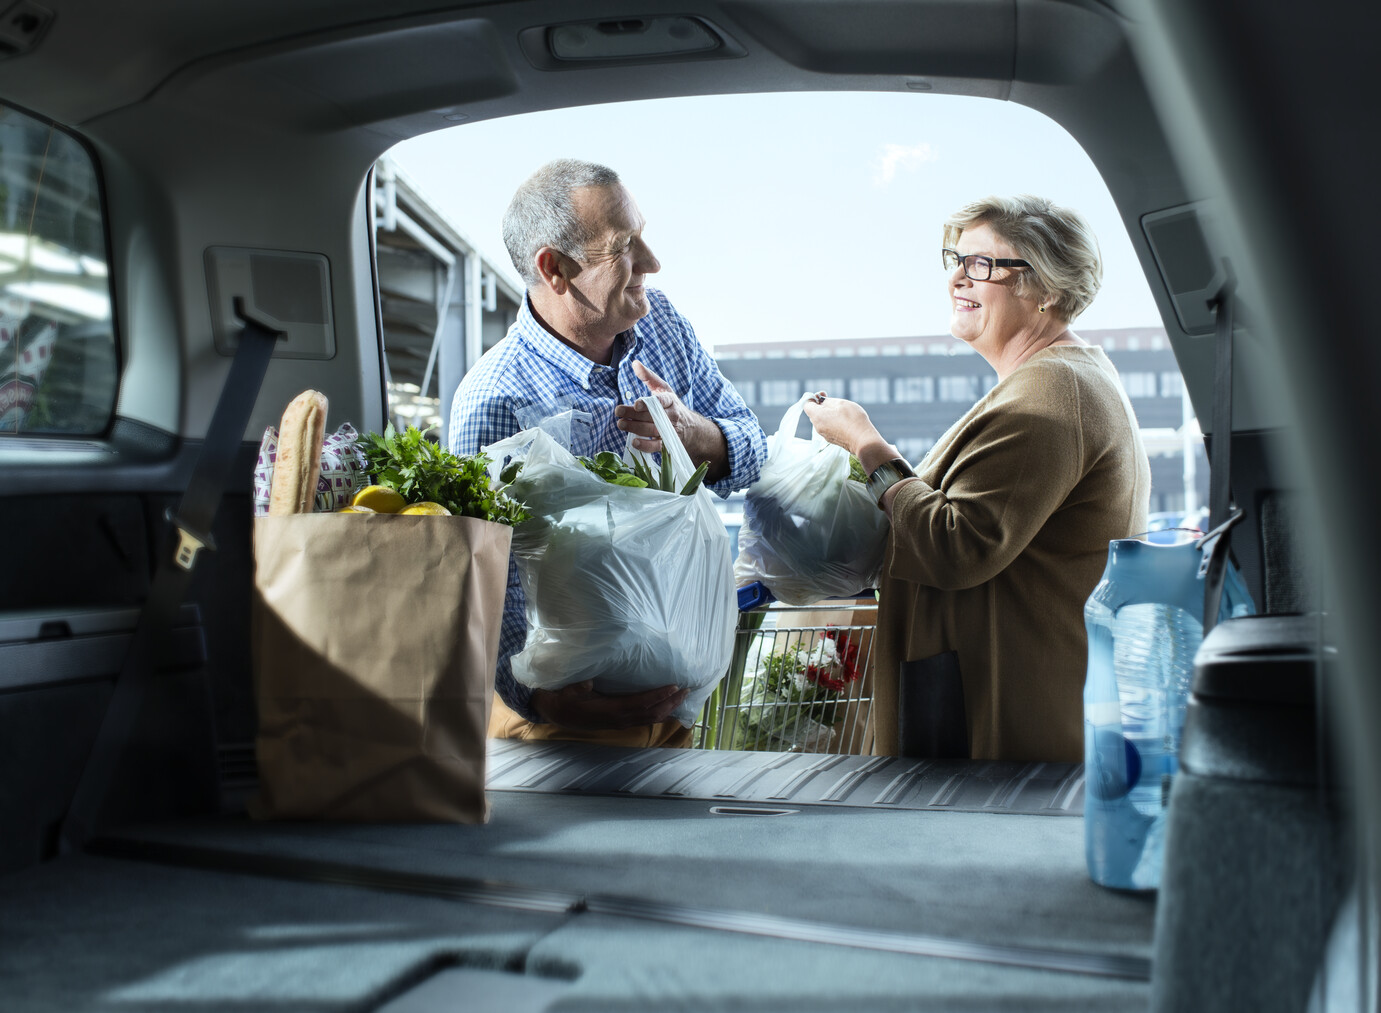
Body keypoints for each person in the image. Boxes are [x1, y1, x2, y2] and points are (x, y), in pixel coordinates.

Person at [804, 195, 1151, 762]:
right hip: (996, 699)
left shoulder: (1053, 390)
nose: (957, 279)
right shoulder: (1059, 379)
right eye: (956, 260)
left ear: (1050, 290)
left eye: (984, 265)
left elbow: (956, 545)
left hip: (997, 717)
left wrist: (866, 445)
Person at [449, 158, 766, 748]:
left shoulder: (663, 322)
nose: (651, 262)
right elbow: (484, 582)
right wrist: (542, 701)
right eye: (624, 246)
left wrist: (693, 433)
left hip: (676, 700)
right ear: (555, 269)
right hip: (567, 718)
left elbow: (752, 448)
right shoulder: (495, 400)